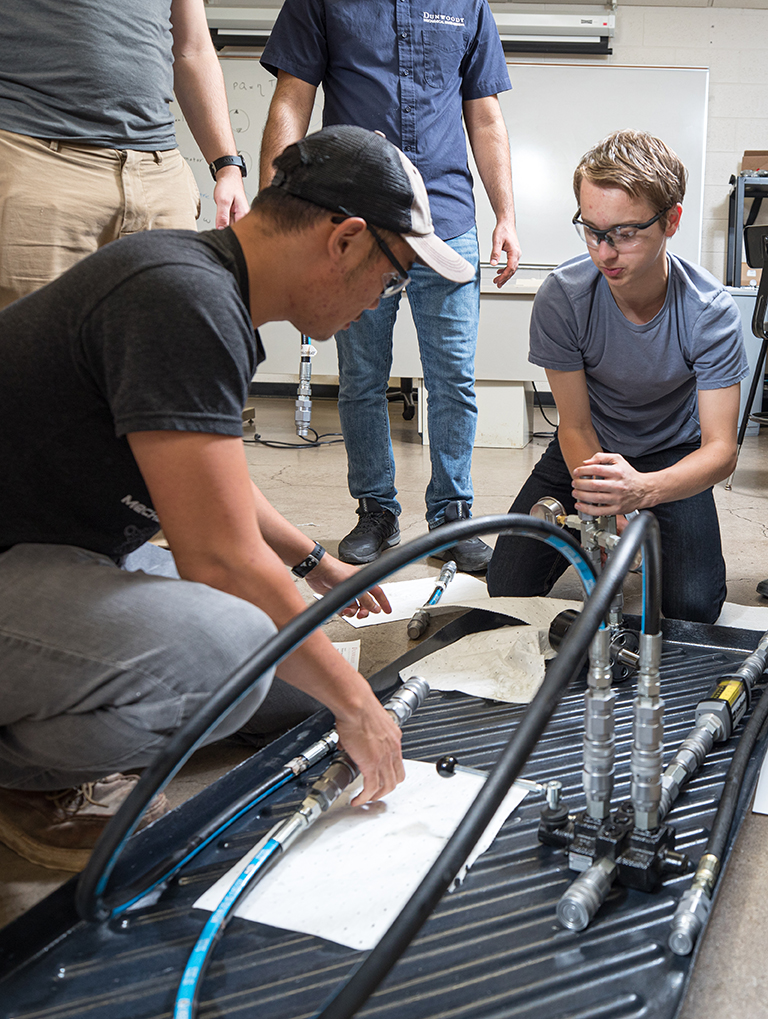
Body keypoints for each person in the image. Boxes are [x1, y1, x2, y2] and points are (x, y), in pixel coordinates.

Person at [0, 125, 474, 871]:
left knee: (293, 685)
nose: (385, 297)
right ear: (345, 240)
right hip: (17, 568)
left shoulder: (203, 287)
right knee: (236, 649)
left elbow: (207, 475)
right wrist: (360, 708)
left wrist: (312, 562)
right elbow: (219, 560)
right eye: (394, 275)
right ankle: (29, 783)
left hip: (47, 555)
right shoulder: (179, 299)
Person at [258, 0, 522, 573]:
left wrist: (505, 214)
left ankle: (452, 514)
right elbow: (291, 100)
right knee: (361, 378)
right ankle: (376, 509)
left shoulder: (467, 6)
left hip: (448, 220)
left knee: (454, 377)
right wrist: (274, 209)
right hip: (354, 219)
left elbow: (485, 115)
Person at [487, 130, 748, 625]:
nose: (604, 253)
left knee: (692, 609)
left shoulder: (709, 312)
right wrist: (605, 508)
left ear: (671, 220)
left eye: (625, 234)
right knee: (508, 589)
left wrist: (642, 493)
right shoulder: (563, 298)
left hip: (674, 451)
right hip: (591, 444)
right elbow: (575, 426)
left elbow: (721, 450)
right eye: (591, 230)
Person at [0, 0, 250, 311]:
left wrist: (228, 166)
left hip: (159, 174)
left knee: (170, 346)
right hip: (40, 161)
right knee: (38, 352)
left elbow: (192, 50)